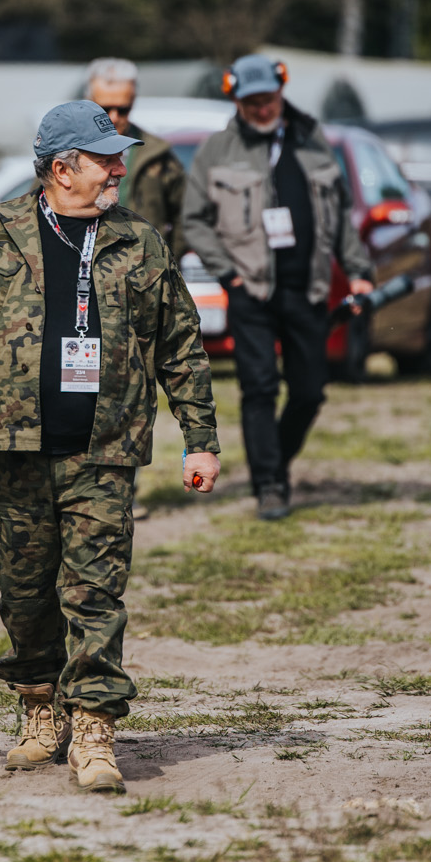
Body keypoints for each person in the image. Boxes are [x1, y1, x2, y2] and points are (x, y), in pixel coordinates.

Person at [0, 100, 221, 793]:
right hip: (15, 448)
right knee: (24, 592)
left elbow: (181, 348)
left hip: (105, 448)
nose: (120, 168)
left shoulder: (140, 241)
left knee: (95, 591)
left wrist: (200, 439)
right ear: (60, 168)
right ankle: (40, 706)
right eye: (105, 158)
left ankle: (96, 728)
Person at [182, 53, 374, 521]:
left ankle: (276, 462)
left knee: (309, 391)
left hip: (307, 289)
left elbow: (342, 215)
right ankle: (269, 483)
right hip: (252, 292)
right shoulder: (218, 150)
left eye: (268, 100)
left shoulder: (314, 141)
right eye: (252, 103)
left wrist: (358, 269)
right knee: (259, 387)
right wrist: (229, 274)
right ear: (237, 101)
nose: (262, 110)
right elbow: (194, 220)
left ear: (281, 93)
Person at [89, 57, 185, 255]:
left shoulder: (157, 154)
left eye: (122, 109)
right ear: (89, 103)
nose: (113, 117)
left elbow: (187, 215)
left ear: (133, 103)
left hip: (145, 276)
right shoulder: (68, 152)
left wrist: (164, 261)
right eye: (104, 109)